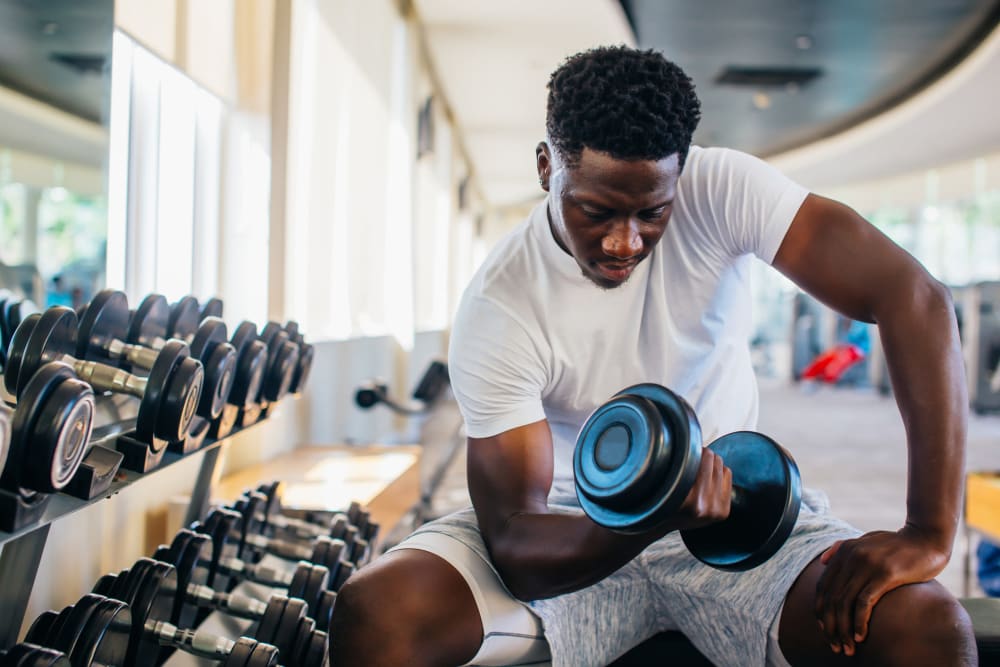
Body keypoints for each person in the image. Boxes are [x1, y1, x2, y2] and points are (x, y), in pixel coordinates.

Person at [329, 46, 975, 666]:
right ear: (547, 167)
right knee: (379, 610)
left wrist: (929, 530)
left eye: (652, 212)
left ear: (680, 176)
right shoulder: (501, 305)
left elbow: (914, 298)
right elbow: (516, 542)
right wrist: (653, 515)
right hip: (567, 532)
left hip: (735, 518)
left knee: (928, 625)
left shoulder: (724, 188)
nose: (623, 240)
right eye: (596, 210)